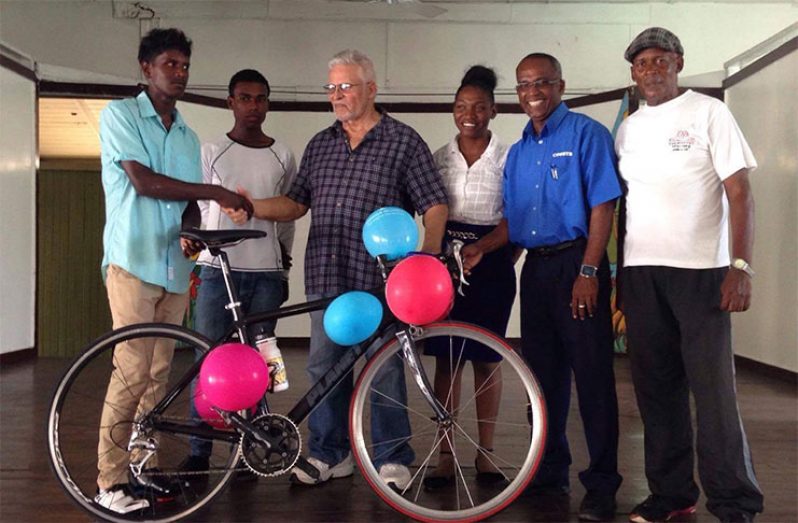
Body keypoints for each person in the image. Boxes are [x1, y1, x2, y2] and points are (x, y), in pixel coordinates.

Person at [227, 49, 448, 489]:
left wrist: (426, 257)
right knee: (323, 368)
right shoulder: (321, 143)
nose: (337, 95)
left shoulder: (404, 141)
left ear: (370, 89)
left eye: (345, 86)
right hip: (328, 278)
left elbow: (434, 204)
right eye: (331, 87)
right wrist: (251, 206)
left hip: (383, 282)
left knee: (384, 369)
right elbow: (296, 203)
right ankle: (331, 454)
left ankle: (392, 458)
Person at [94, 28, 252, 514]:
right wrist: (218, 195)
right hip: (132, 262)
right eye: (169, 65)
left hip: (173, 266)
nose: (179, 74)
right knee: (132, 370)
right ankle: (109, 481)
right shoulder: (120, 115)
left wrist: (192, 227)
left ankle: (141, 466)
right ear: (146, 68)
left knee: (160, 374)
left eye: (184, 66)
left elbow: (185, 202)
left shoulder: (186, 134)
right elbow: (143, 182)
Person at [462, 53, 623, 522]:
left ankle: (602, 483)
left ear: (560, 84)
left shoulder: (586, 135)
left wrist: (590, 273)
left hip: (579, 265)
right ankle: (548, 470)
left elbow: (602, 208)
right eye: (525, 84)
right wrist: (483, 249)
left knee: (592, 378)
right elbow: (513, 223)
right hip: (535, 271)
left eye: (543, 83)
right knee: (542, 380)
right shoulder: (519, 151)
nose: (534, 91)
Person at [615, 27, 764, 523]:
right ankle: (671, 494)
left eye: (661, 60)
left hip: (701, 273)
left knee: (713, 393)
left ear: (678, 63)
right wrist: (620, 279)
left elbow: (740, 193)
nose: (652, 70)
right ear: (633, 73)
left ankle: (734, 502)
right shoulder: (629, 128)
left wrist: (740, 267)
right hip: (642, 274)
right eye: (642, 63)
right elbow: (627, 207)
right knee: (656, 392)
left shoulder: (709, 113)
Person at [180, 68, 297, 473]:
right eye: (244, 98)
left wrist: (284, 262)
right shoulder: (212, 150)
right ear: (231, 102)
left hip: (266, 274)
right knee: (207, 359)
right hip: (217, 272)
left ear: (269, 103)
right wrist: (189, 238)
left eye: (260, 98)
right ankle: (200, 451)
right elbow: (197, 204)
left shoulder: (284, 154)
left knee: (260, 363)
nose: (253, 106)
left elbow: (288, 215)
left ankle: (250, 446)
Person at [422, 65, 515, 489]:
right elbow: (429, 214)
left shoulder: (509, 157)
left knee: (488, 358)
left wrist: (490, 252)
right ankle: (445, 453)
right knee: (447, 358)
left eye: (479, 106)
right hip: (445, 264)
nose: (469, 114)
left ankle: (486, 452)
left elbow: (517, 218)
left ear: (493, 110)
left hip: (492, 261)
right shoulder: (438, 159)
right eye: (461, 107)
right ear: (452, 111)